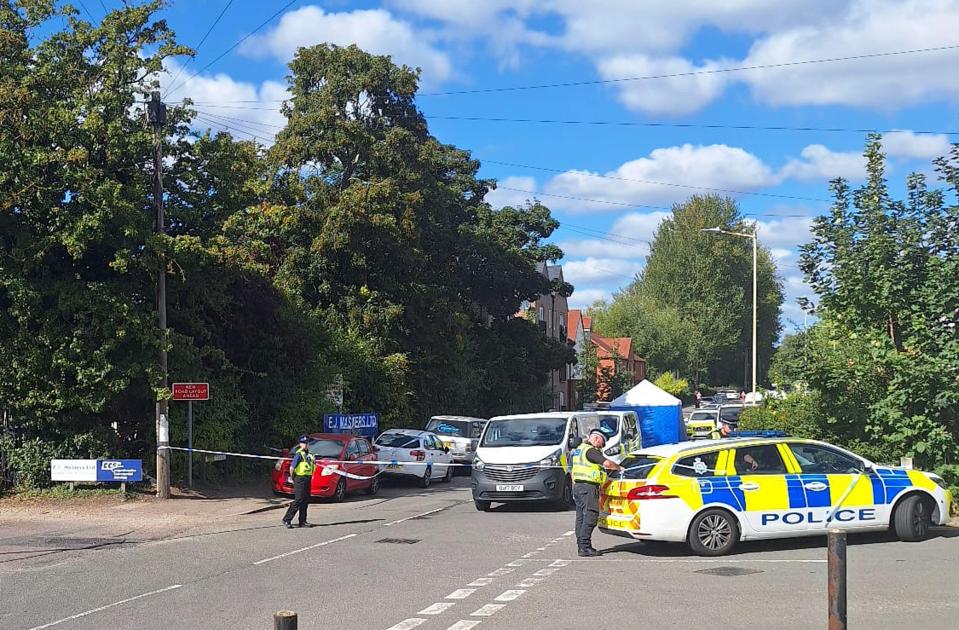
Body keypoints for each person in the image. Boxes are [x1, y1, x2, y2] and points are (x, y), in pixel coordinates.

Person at [571, 428, 622, 557]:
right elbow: (607, 463)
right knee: (591, 516)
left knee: (581, 518)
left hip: (578, 486)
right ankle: (585, 547)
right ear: (597, 439)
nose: (602, 447)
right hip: (588, 487)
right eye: (602, 443)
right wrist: (619, 468)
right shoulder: (591, 451)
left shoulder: (580, 449)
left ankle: (581, 545)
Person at [282, 435, 316, 529]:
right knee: (298, 500)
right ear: (300, 444)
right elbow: (292, 467)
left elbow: (313, 465)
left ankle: (303, 521)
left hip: (307, 478)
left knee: (305, 500)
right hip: (299, 479)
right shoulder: (299, 454)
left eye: (306, 443)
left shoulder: (310, 454)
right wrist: (293, 477)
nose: (305, 445)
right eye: (303, 443)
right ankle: (287, 519)